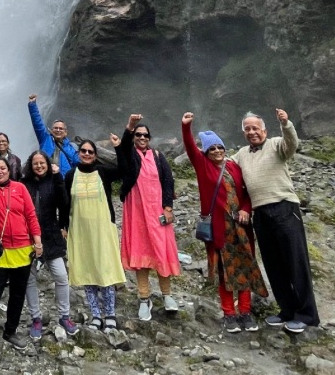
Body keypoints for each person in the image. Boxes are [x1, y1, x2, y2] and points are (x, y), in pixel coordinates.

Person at [182, 112, 268, 333]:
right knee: (225, 271)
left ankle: (246, 312)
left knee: (246, 266)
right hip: (221, 229)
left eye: (220, 147)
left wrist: (246, 210)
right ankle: (229, 313)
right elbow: (191, 148)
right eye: (212, 149)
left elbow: (247, 192)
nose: (217, 151)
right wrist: (186, 126)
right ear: (206, 152)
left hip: (241, 227)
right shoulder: (203, 167)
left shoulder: (233, 167)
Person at [234, 109, 319, 333]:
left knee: (295, 262)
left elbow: (292, 144)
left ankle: (307, 315)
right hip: (259, 213)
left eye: (256, 128)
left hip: (284, 207)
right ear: (243, 132)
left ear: (264, 130)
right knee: (273, 264)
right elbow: (224, 169)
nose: (252, 132)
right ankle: (287, 310)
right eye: (248, 129)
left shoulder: (276, 145)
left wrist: (286, 124)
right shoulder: (241, 154)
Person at [115, 114, 181, 321]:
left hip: (157, 211)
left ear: (150, 138)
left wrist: (168, 207)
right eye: (138, 135)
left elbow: (168, 181)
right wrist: (130, 126)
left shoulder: (159, 156)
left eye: (145, 135)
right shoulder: (129, 155)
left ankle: (167, 295)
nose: (142, 138)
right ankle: (144, 297)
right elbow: (124, 147)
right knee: (140, 251)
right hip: (136, 211)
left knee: (161, 250)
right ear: (134, 137)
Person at [0, 156, 42, 360]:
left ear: (9, 170)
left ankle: (10, 331)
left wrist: (37, 241)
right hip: (0, 250)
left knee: (17, 294)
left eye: (2, 168)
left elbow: (31, 215)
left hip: (23, 249)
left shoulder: (20, 188)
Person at [64, 138, 126, 330]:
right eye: (84, 151)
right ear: (79, 153)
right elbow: (66, 204)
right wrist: (63, 226)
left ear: (96, 155)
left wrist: (118, 146)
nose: (87, 154)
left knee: (105, 269)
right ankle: (95, 315)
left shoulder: (103, 171)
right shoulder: (71, 175)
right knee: (87, 270)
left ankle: (110, 314)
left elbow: (124, 169)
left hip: (103, 228)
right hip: (80, 229)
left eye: (91, 152)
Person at [19, 150, 76, 338]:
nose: (39, 166)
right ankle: (36, 318)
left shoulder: (54, 180)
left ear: (47, 163)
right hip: (28, 238)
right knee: (29, 280)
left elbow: (64, 203)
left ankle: (64, 316)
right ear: (31, 165)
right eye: (35, 163)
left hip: (51, 236)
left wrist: (58, 176)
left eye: (42, 162)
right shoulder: (24, 183)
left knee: (61, 276)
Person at [28, 94, 78, 174]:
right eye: (55, 128)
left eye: (61, 128)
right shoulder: (45, 139)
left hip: (64, 182)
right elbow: (37, 123)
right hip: (46, 179)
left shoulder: (72, 148)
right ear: (51, 130)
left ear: (65, 132)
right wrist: (32, 105)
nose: (58, 130)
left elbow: (79, 165)